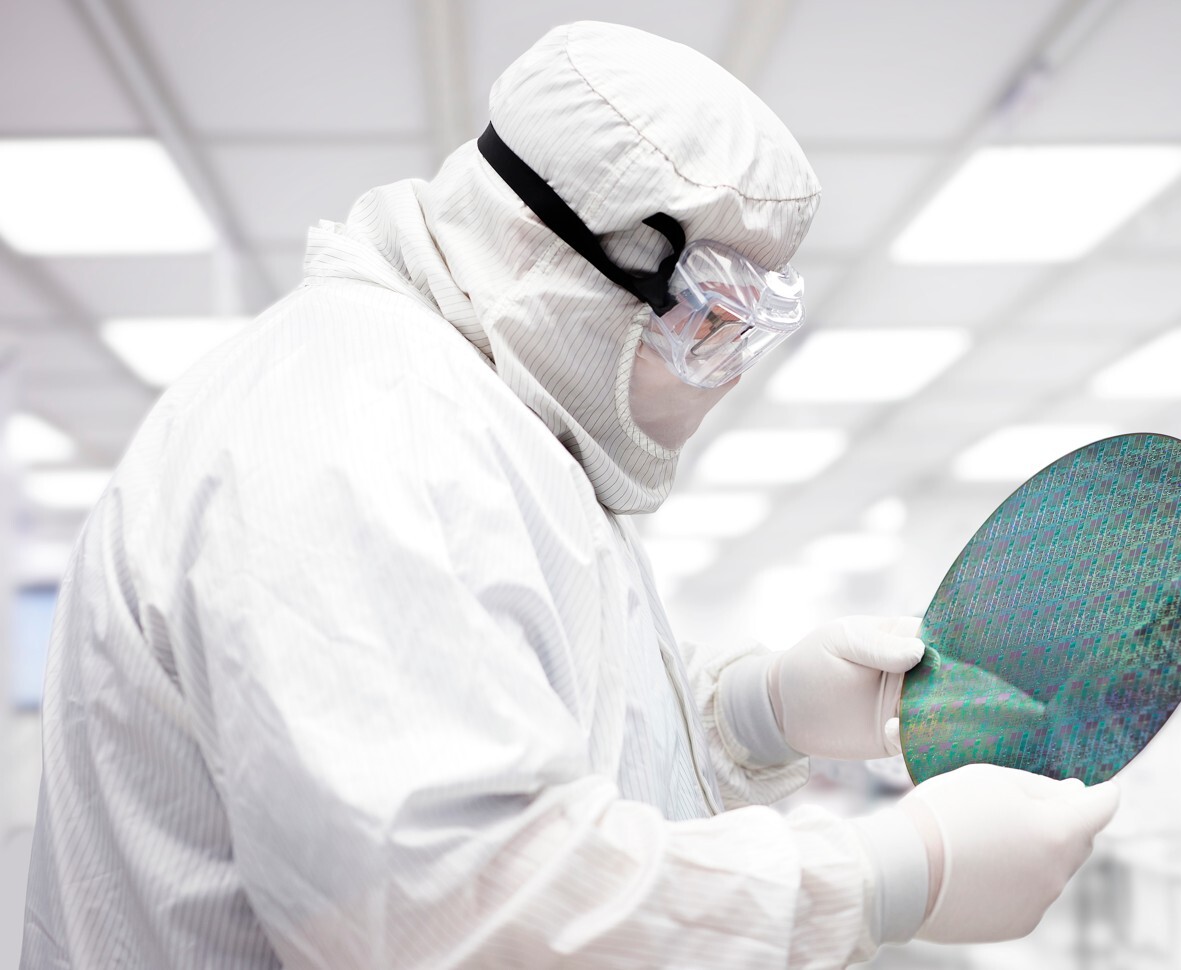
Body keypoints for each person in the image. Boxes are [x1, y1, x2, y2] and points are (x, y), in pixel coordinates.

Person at [22, 21, 1117, 969]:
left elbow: (548, 747)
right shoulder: (359, 426)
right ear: (566, 262)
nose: (725, 375)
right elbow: (460, 908)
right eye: (709, 323)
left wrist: (758, 711)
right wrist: (886, 875)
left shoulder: (490, 417)